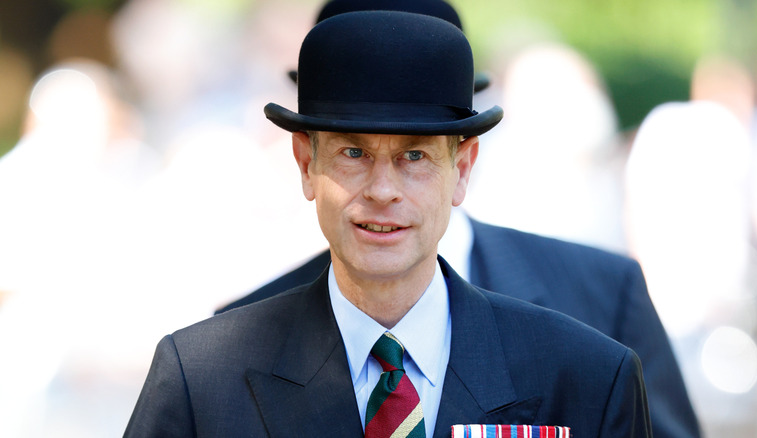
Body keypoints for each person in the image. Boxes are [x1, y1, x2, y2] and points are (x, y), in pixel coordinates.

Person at [125, 11, 651, 437]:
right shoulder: (202, 378)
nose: (382, 190)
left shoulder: (586, 377)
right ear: (306, 165)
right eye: (354, 153)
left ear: (462, 170)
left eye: (415, 157)